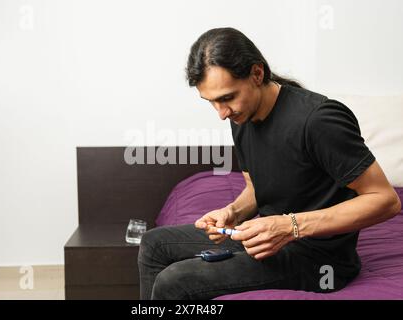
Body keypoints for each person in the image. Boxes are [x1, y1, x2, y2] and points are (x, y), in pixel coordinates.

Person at [137, 27, 401, 300]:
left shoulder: (318, 120)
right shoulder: (242, 117)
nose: (221, 113)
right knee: (154, 245)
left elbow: (385, 200)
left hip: (320, 260)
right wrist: (233, 212)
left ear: (257, 74)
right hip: (268, 238)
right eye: (212, 102)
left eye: (227, 98)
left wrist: (288, 226)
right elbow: (255, 188)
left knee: (175, 281)